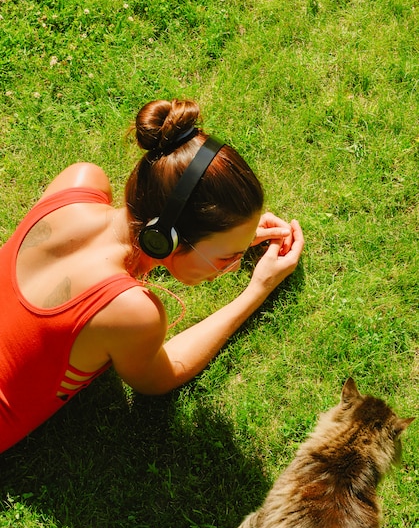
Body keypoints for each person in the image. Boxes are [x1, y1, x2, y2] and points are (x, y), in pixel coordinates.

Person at [0, 98, 304, 453]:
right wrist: (257, 288)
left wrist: (230, 237)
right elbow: (163, 373)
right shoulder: (130, 312)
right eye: (226, 257)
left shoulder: (79, 181)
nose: (234, 266)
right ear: (166, 241)